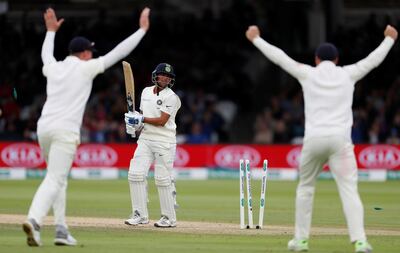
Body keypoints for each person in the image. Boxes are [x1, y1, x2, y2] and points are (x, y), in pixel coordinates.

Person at [246, 25, 397, 253]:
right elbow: (373, 60)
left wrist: (256, 39)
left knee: (305, 188)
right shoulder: (348, 73)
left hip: (314, 140)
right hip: (340, 142)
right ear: (336, 59)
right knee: (349, 191)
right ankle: (360, 241)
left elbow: (280, 58)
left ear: (316, 59)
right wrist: (389, 40)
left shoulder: (308, 73)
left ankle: (301, 241)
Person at [22, 7, 150, 247]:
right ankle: (34, 219)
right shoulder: (86, 67)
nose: (92, 55)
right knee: (54, 179)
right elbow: (117, 53)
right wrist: (141, 30)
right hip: (64, 132)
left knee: (58, 179)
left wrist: (50, 32)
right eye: (90, 52)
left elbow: (45, 56)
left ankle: (61, 229)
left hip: (44, 129)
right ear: (83, 54)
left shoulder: (55, 67)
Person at [124, 63, 181, 228]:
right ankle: (140, 214)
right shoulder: (145, 92)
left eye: (168, 76)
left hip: (164, 142)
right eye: (162, 75)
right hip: (145, 139)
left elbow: (162, 121)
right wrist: (134, 125)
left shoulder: (172, 97)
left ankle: (169, 218)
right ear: (155, 75)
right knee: (135, 174)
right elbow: (143, 116)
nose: (165, 78)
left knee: (162, 179)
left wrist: (141, 119)